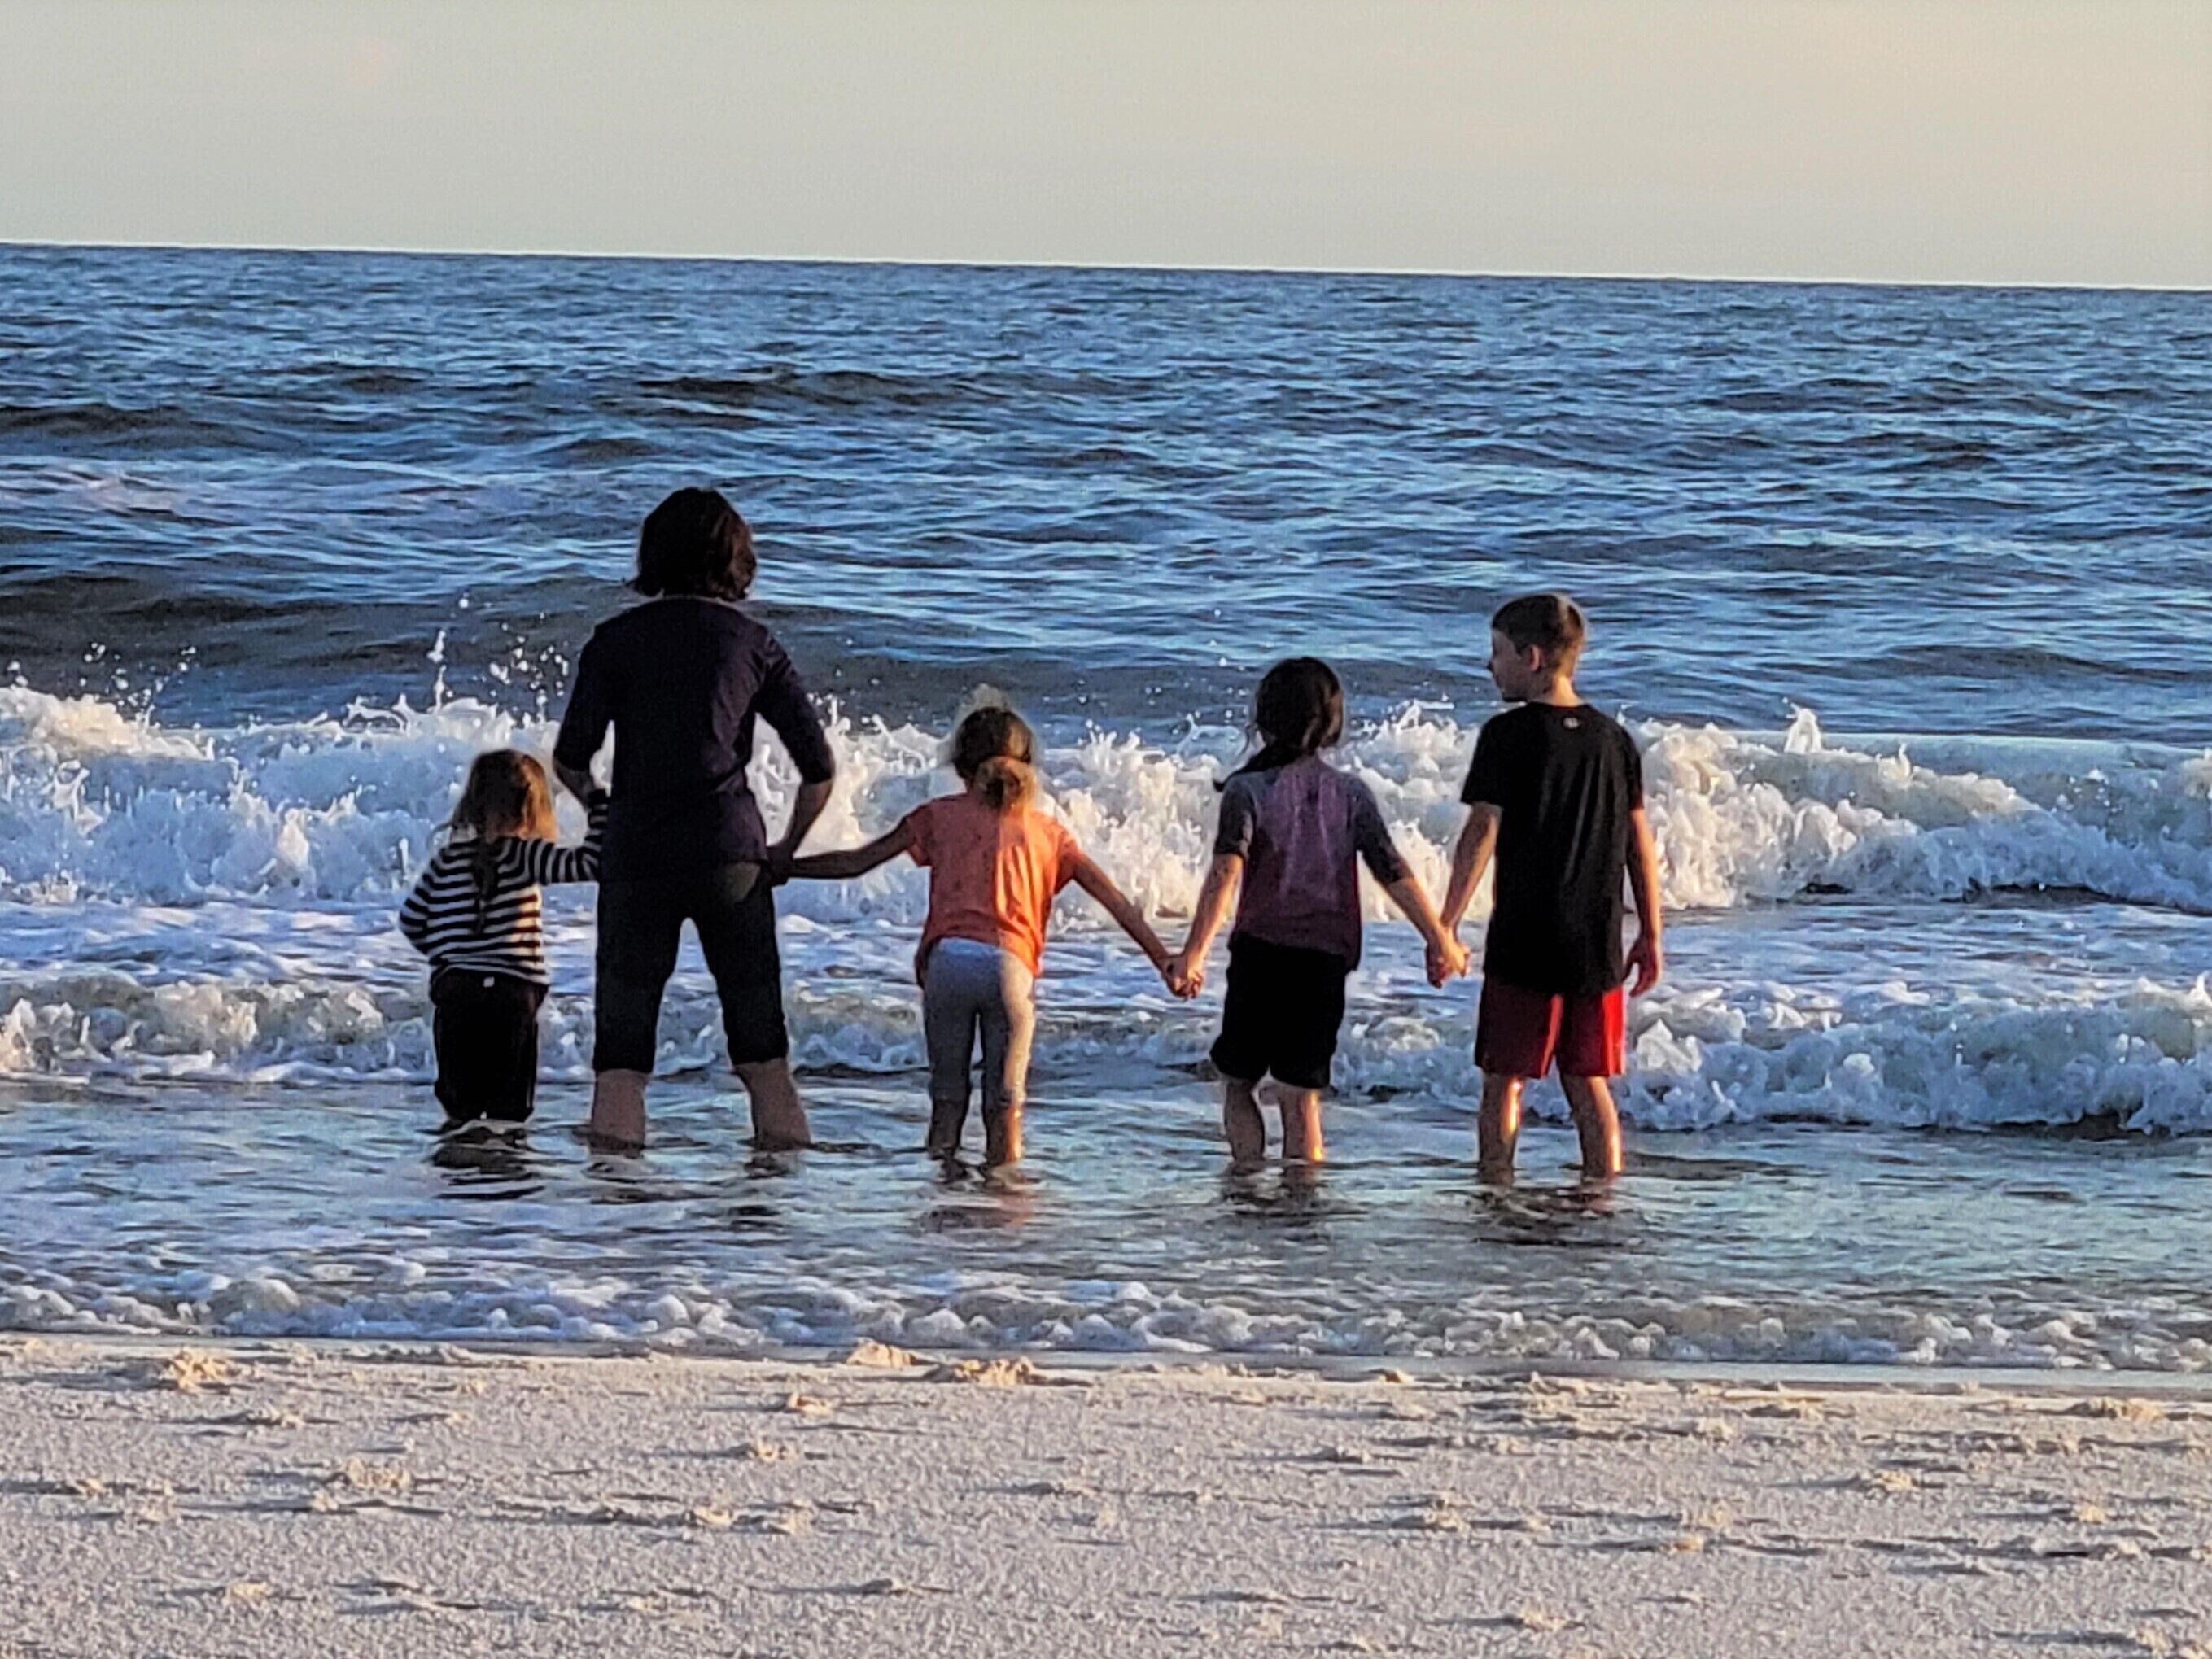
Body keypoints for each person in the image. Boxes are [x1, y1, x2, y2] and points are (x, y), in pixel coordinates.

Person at [552, 487, 835, 1152]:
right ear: (737, 560)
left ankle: (619, 1221)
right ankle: (778, 1211)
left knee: (621, 1060)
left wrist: (601, 806)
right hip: (731, 852)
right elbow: (818, 768)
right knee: (763, 1053)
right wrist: (788, 846)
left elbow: (569, 760)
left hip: (638, 854)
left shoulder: (615, 640)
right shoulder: (755, 644)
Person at [779, 701, 1180, 1166]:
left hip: (948, 963)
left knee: (947, 1104)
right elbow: (1115, 901)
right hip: (1009, 969)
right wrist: (1165, 960)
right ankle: (1002, 1219)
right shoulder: (1050, 834)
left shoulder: (936, 815)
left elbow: (856, 863)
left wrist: (783, 866)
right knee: (1005, 1109)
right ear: (1027, 765)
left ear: (959, 766)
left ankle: (944, 1205)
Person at [1166, 658, 1467, 1168]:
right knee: (1301, 1091)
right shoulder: (1351, 794)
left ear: (1263, 720)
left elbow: (1225, 874)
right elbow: (1393, 871)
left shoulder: (1248, 791)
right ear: (1332, 725)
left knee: (1238, 1080)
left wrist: (1194, 953)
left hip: (1261, 954)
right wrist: (1438, 937)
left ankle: (1245, 1178)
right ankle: (1303, 1196)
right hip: (1325, 960)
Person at [1440, 593, 1664, 1184]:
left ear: (1532, 657)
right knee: (1588, 1082)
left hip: (1525, 939)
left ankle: (1496, 1187)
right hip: (1597, 941)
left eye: (1497, 653)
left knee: (1504, 1079)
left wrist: (1447, 923)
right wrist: (1651, 933)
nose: (1490, 666)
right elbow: (1638, 845)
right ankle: (1602, 1192)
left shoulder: (1506, 735)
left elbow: (1481, 832)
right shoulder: (1615, 741)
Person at [400, 749, 606, 1128]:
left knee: (459, 1103)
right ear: (533, 809)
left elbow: (412, 920)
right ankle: (505, 1176)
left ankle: (461, 1173)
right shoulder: (528, 857)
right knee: (509, 1107)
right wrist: (599, 805)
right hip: (513, 994)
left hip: (457, 989)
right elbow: (592, 862)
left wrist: (448, 956)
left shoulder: (447, 859)